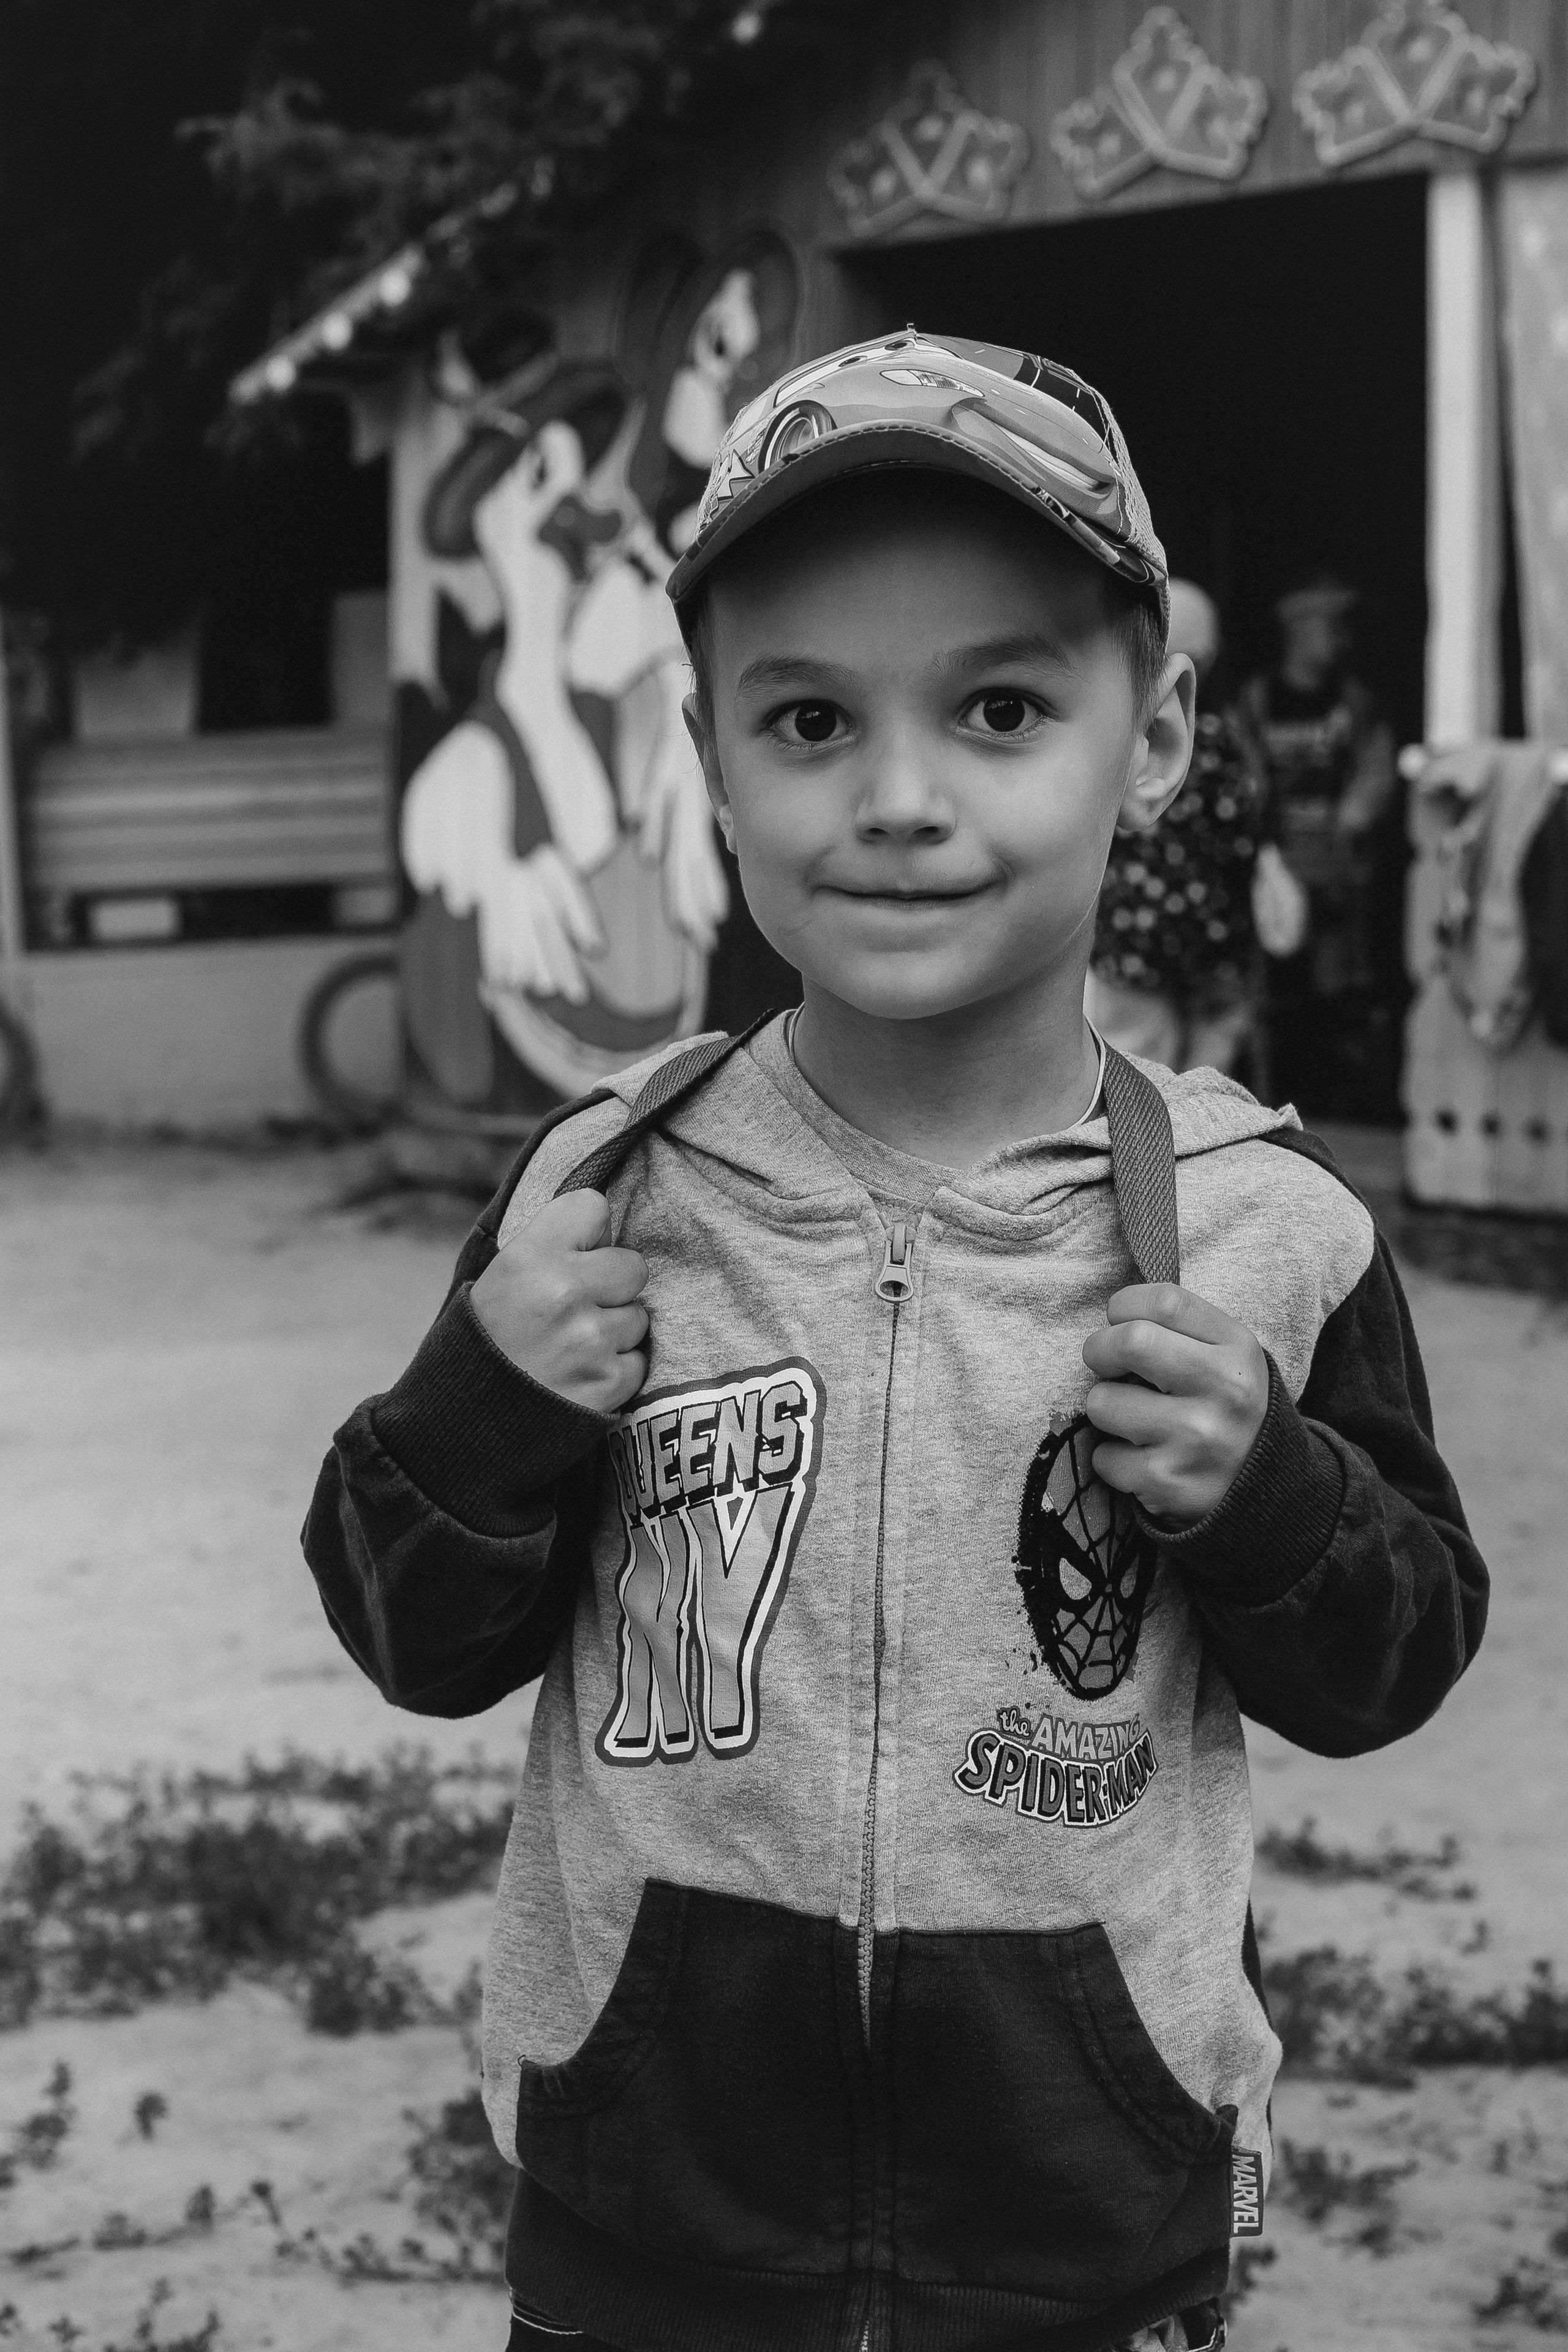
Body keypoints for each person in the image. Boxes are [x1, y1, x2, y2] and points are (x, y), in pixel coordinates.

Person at [303, 334, 1485, 2352]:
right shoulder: (603, 1191)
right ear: (712, 751)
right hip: (648, 2226)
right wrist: (481, 1415)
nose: (902, 802)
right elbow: (413, 1635)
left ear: (1163, 734)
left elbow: (1399, 1651)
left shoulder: (1269, 1229)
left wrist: (1269, 1493)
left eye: (1002, 707)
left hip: (1085, 2229)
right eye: (811, 721)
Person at [1087, 581, 1267, 1078]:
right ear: (1203, 663)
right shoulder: (1213, 742)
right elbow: (1239, 841)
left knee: (1132, 1061)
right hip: (1206, 935)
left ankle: (1137, 1150)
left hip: (1126, 936)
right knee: (1209, 1062)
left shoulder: (1106, 732)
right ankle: (1187, 1147)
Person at [1235, 570, 1399, 1117]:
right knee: (1274, 996)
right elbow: (1240, 771)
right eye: (1332, 628)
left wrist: (1352, 821)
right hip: (1276, 879)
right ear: (1299, 630)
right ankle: (1277, 1095)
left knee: (1338, 997)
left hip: (1337, 877)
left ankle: (1332, 1104)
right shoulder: (1258, 703)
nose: (1342, 642)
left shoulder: (1354, 702)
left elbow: (1377, 770)